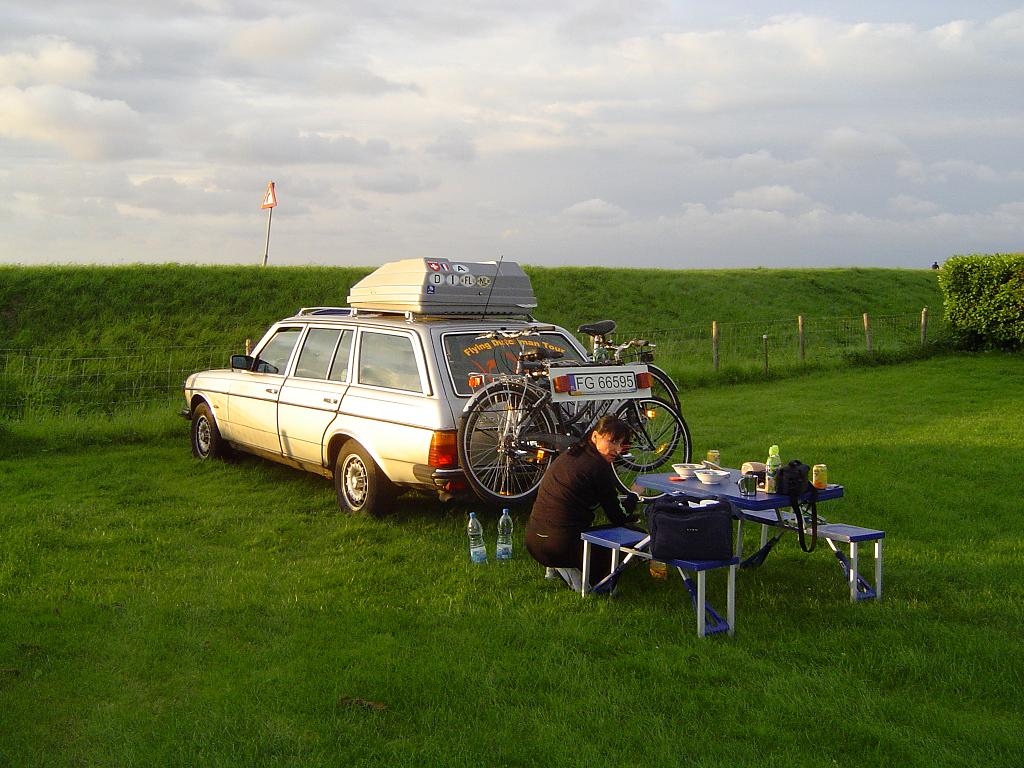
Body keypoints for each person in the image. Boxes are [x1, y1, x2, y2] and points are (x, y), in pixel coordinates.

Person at [526, 415, 640, 590]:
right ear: (595, 436)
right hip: (561, 546)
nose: (617, 450)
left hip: (534, 541)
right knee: (636, 537)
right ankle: (585, 576)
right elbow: (618, 517)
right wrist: (634, 495)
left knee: (560, 522)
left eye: (621, 444)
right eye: (612, 442)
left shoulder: (571, 452)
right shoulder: (598, 468)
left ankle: (557, 567)